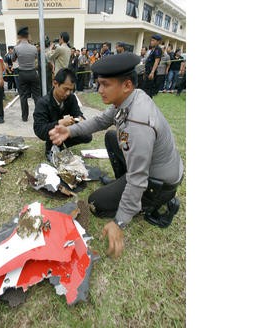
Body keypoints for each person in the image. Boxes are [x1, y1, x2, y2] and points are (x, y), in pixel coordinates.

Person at [48, 53, 183, 258]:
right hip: (155, 171)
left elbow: (138, 179)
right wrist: (70, 131)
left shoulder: (138, 123)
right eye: (99, 83)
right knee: (112, 137)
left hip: (157, 183)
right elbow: (101, 120)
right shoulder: (131, 98)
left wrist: (119, 222)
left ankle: (155, 204)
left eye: (105, 84)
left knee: (95, 204)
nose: (99, 89)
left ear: (126, 85)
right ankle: (122, 186)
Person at [33, 68, 92, 162]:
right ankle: (51, 147)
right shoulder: (43, 103)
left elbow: (78, 114)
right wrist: (60, 123)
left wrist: (81, 119)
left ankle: (62, 144)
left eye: (71, 90)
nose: (68, 93)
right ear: (55, 83)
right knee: (50, 132)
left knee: (87, 135)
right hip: (51, 135)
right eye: (65, 89)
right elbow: (39, 129)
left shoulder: (71, 98)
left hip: (66, 132)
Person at [13, 26, 41, 122]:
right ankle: (39, 116)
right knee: (36, 96)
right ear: (27, 36)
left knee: (23, 96)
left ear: (20, 36)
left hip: (22, 73)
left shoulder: (16, 48)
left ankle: (24, 117)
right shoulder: (34, 48)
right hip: (33, 73)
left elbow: (13, 59)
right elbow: (36, 58)